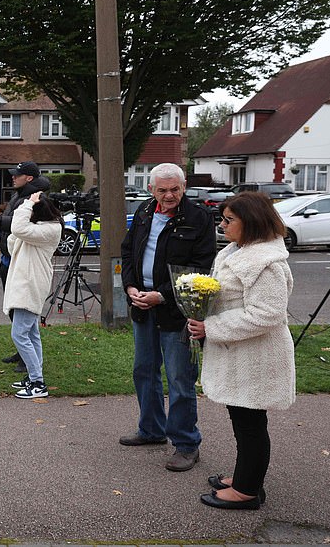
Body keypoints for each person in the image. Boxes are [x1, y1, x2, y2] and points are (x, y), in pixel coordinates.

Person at [187, 192, 294, 510]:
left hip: (256, 357)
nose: (222, 225)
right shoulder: (240, 251)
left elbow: (267, 314)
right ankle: (245, 477)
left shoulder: (266, 262)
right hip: (240, 354)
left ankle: (247, 491)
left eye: (228, 220)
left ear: (251, 221)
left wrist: (212, 328)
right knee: (243, 419)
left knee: (250, 424)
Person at [119, 162, 216, 472]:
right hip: (142, 306)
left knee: (180, 379)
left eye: (175, 189)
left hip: (176, 312)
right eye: (163, 190)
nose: (170, 195)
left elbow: (200, 267)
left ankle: (187, 444)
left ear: (184, 186)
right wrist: (131, 286)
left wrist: (160, 294)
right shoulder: (146, 210)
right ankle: (151, 430)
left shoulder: (198, 218)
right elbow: (128, 250)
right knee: (144, 370)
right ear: (152, 190)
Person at [0, 161, 50, 369]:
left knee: (23, 313)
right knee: (14, 310)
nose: (13, 177)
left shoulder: (34, 198)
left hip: (21, 261)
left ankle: (29, 362)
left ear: (29, 178)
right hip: (9, 257)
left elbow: (17, 225)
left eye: (17, 174)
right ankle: (23, 352)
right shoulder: (20, 194)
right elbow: (11, 219)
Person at [1, 191, 64, 398]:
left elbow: (17, 227)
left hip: (30, 284)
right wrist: (20, 228)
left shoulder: (50, 230)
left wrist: (27, 204)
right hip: (26, 283)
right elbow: (13, 242)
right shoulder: (37, 229)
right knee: (31, 333)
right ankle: (34, 376)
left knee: (19, 334)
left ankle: (38, 382)